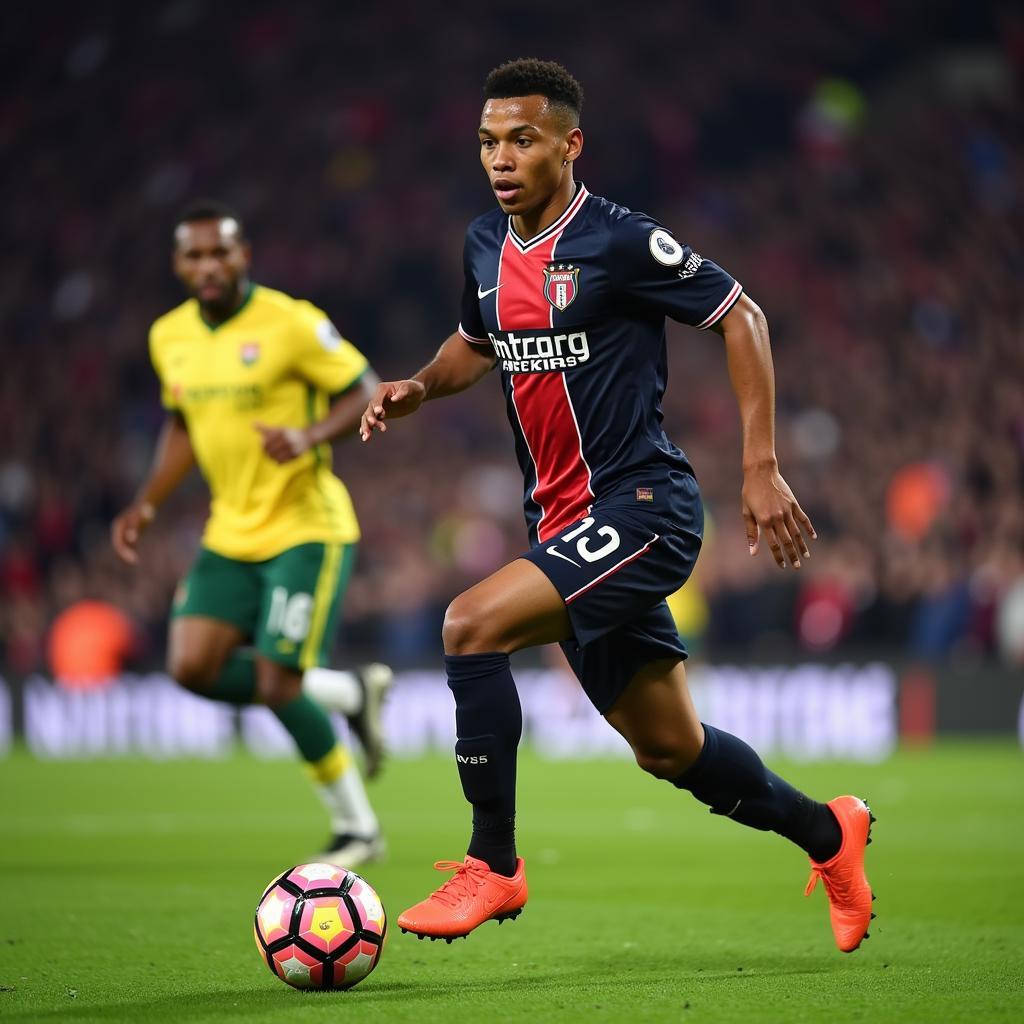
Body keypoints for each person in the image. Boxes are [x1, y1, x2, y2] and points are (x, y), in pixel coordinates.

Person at [360, 59, 874, 951]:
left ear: (570, 143)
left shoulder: (620, 240)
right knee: (671, 750)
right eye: (489, 142)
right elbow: (477, 340)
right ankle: (831, 835)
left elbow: (741, 315)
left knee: (468, 624)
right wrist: (421, 386)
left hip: (645, 510)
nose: (502, 158)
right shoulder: (485, 243)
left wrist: (760, 466)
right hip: (564, 527)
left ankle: (495, 866)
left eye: (523, 139)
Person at [112, 200, 392, 867]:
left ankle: (359, 829)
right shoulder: (168, 336)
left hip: (305, 526)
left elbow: (365, 388)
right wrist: (147, 502)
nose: (209, 265)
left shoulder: (291, 323)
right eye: (195, 255)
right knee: (190, 667)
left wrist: (308, 434)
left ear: (244, 256)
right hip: (230, 532)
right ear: (179, 265)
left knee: (276, 682)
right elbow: (181, 424)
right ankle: (352, 693)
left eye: (221, 252)